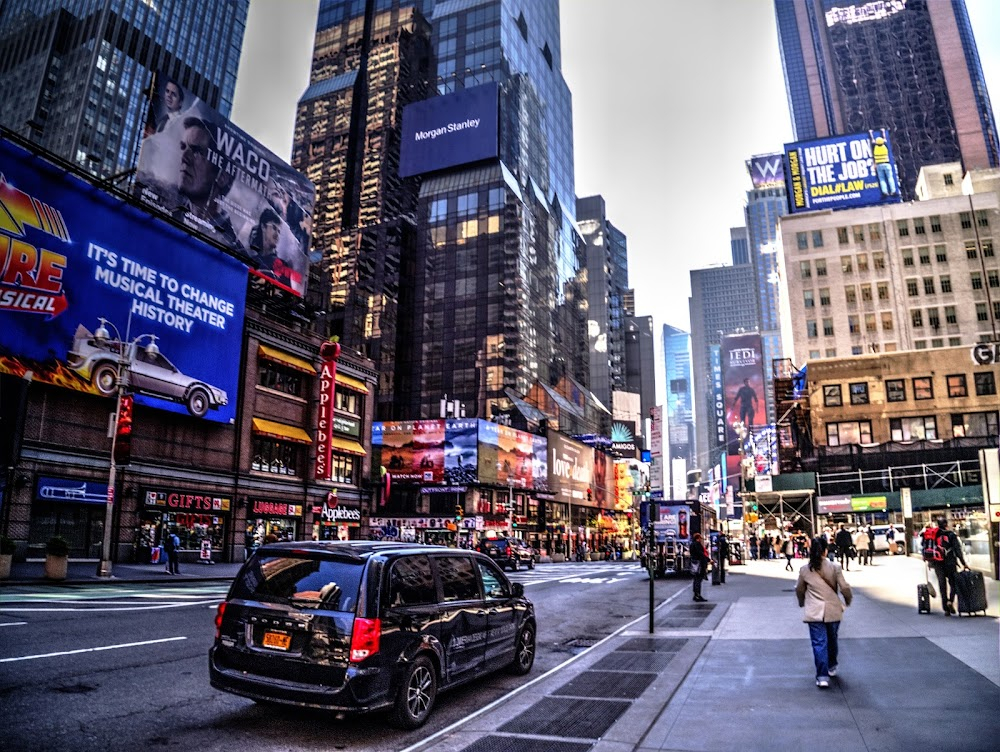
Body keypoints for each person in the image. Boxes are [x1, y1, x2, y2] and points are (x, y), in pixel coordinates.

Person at [172, 116, 240, 248]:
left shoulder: (233, 247)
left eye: (196, 151)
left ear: (223, 176)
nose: (184, 157)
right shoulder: (168, 212)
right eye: (183, 147)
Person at [795, 536, 852, 688]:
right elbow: (844, 587)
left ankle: (822, 676)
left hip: (814, 611)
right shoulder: (835, 567)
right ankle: (832, 665)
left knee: (819, 643)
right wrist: (848, 600)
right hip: (833, 609)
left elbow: (799, 589)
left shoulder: (805, 570)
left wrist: (802, 602)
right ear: (825, 550)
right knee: (832, 639)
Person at [928, 517, 970, 616]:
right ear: (946, 524)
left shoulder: (933, 535)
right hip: (950, 563)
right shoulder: (951, 535)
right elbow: (958, 551)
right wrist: (964, 564)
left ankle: (946, 609)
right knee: (953, 584)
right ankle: (950, 601)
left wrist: (930, 562)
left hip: (938, 564)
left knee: (942, 585)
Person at [690, 532, 709, 602]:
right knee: (698, 580)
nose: (701, 539)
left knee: (695, 579)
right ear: (698, 538)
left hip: (694, 564)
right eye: (700, 538)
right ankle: (698, 595)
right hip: (699, 564)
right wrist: (708, 559)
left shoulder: (692, 544)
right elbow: (701, 554)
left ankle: (695, 595)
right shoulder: (697, 545)